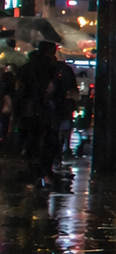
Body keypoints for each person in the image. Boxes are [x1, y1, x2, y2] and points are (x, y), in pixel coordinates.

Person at [15, 41, 75, 185]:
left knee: (31, 140)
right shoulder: (55, 68)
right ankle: (43, 170)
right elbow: (64, 91)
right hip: (47, 111)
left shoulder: (26, 68)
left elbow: (19, 90)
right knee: (48, 140)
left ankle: (33, 169)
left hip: (29, 110)